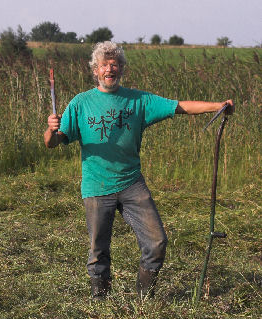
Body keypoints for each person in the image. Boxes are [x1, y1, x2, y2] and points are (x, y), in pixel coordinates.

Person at [44, 41, 234, 300]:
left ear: (121, 69)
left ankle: (144, 300)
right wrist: (51, 130)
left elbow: (179, 106)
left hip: (132, 183)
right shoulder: (81, 103)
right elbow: (53, 142)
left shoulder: (139, 100)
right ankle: (100, 301)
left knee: (157, 242)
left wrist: (217, 106)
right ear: (96, 70)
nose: (109, 69)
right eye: (104, 65)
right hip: (96, 186)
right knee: (98, 248)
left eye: (114, 65)